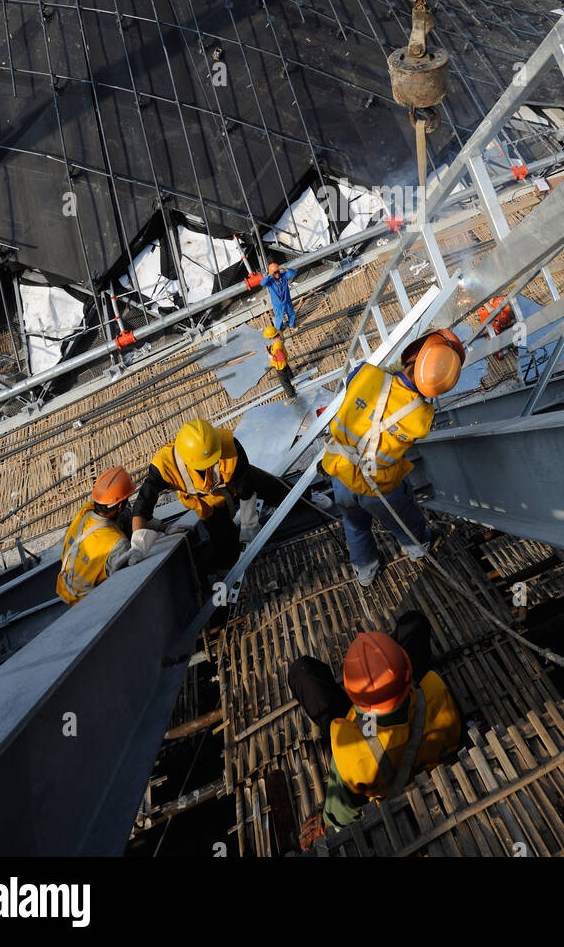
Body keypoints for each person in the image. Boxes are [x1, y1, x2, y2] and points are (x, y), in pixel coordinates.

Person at [288, 611, 462, 835]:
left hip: (368, 738)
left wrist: (327, 822)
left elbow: (342, 816)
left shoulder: (348, 751)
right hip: (416, 719)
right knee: (415, 622)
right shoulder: (438, 693)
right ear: (408, 674)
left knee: (302, 672)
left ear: (351, 693)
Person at [320, 329, 465, 584]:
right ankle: (417, 548)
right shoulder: (421, 417)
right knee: (404, 520)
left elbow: (358, 378)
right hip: (380, 490)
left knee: (354, 524)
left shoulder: (367, 375)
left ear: (411, 358)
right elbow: (413, 402)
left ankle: (365, 571)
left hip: (341, 474)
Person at [132, 418, 289, 574]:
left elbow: (245, 486)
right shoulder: (164, 466)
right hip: (208, 505)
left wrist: (249, 524)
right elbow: (142, 505)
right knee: (225, 544)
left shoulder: (228, 445)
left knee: (276, 488)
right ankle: (225, 572)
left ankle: (310, 497)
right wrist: (139, 545)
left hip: (233, 486)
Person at [56, 467, 135, 606]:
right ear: (120, 506)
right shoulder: (117, 543)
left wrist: (160, 526)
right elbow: (125, 584)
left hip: (63, 587)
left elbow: (126, 515)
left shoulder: (85, 511)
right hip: (89, 604)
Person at [261, 261, 297, 330]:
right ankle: (279, 330)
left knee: (291, 313)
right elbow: (262, 283)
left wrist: (284, 269)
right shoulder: (270, 281)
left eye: (278, 271)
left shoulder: (283, 276)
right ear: (272, 273)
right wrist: (269, 275)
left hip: (287, 300)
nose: (277, 273)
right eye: (275, 272)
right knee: (279, 318)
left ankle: (292, 325)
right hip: (278, 304)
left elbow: (293, 273)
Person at [264, 324, 296, 400]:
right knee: (287, 369)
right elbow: (277, 341)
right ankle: (292, 377)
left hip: (280, 365)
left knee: (284, 381)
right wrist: (271, 347)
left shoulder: (277, 347)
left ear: (271, 336)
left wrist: (270, 355)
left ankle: (291, 395)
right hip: (284, 362)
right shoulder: (279, 335)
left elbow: (281, 358)